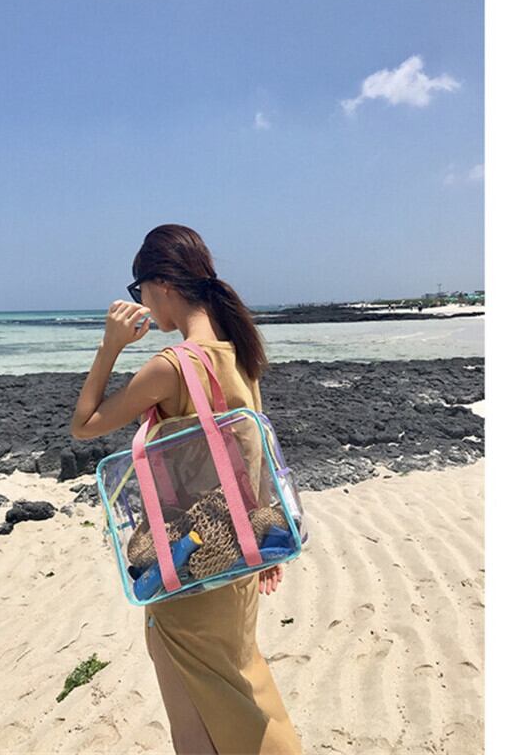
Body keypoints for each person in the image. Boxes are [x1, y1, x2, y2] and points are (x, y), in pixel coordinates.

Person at [70, 225, 303, 754]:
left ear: (164, 284)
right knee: (244, 684)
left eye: (140, 290)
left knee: (199, 718)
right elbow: (253, 454)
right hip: (239, 555)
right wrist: (265, 533)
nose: (142, 302)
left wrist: (109, 347)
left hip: (189, 565)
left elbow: (84, 425)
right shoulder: (238, 354)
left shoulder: (173, 366)